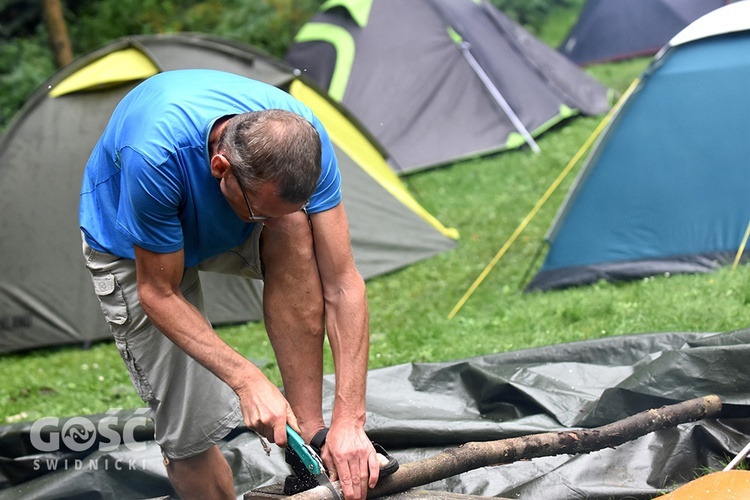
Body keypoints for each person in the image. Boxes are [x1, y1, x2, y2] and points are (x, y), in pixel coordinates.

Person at [79, 69, 380, 499]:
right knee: (191, 433)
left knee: (295, 229)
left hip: (226, 204)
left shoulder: (304, 139)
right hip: (134, 248)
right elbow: (158, 294)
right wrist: (247, 379)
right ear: (220, 168)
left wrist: (350, 420)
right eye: (262, 213)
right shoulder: (154, 156)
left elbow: (343, 283)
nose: (269, 223)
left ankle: (309, 448)